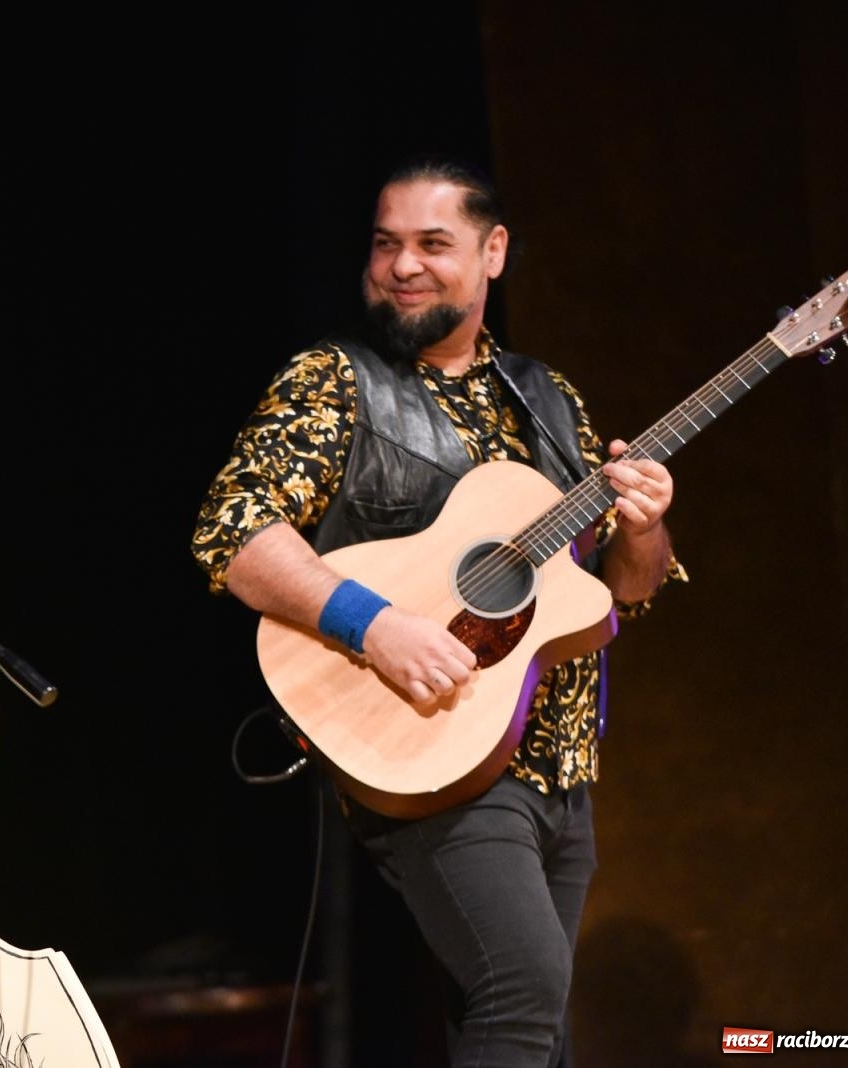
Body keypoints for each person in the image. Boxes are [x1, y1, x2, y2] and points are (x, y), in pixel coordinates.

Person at [190, 157, 686, 1066]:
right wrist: (375, 626)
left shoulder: (546, 399)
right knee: (522, 991)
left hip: (558, 767)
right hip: (433, 747)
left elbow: (619, 594)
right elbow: (236, 532)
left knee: (530, 1030)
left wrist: (644, 528)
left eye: (432, 244)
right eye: (386, 245)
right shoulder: (334, 383)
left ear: (493, 253)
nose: (403, 266)